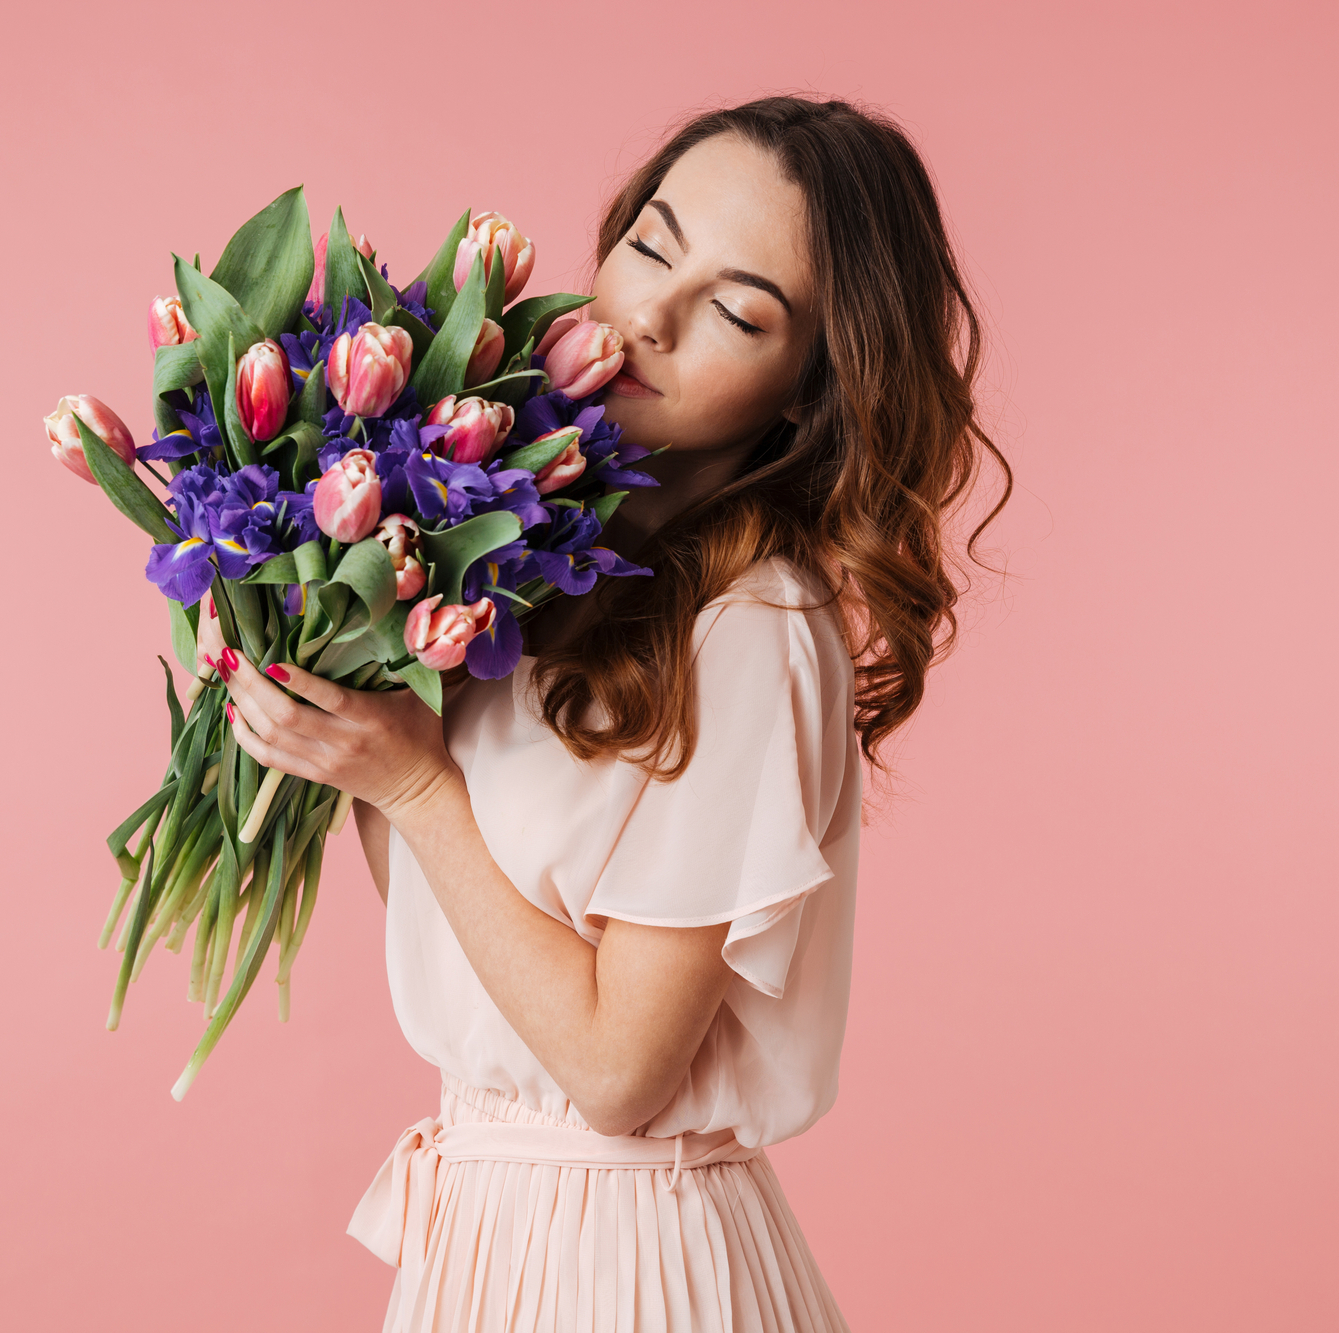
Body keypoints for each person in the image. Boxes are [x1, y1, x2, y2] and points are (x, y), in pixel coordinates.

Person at [215, 95, 1008, 1333]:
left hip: (630, 1269)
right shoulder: (521, 569)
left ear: (804, 394)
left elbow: (614, 1071)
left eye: (737, 311)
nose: (648, 315)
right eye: (650, 243)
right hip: (490, 1246)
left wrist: (414, 784)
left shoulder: (756, 626)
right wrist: (328, 683)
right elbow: (464, 918)